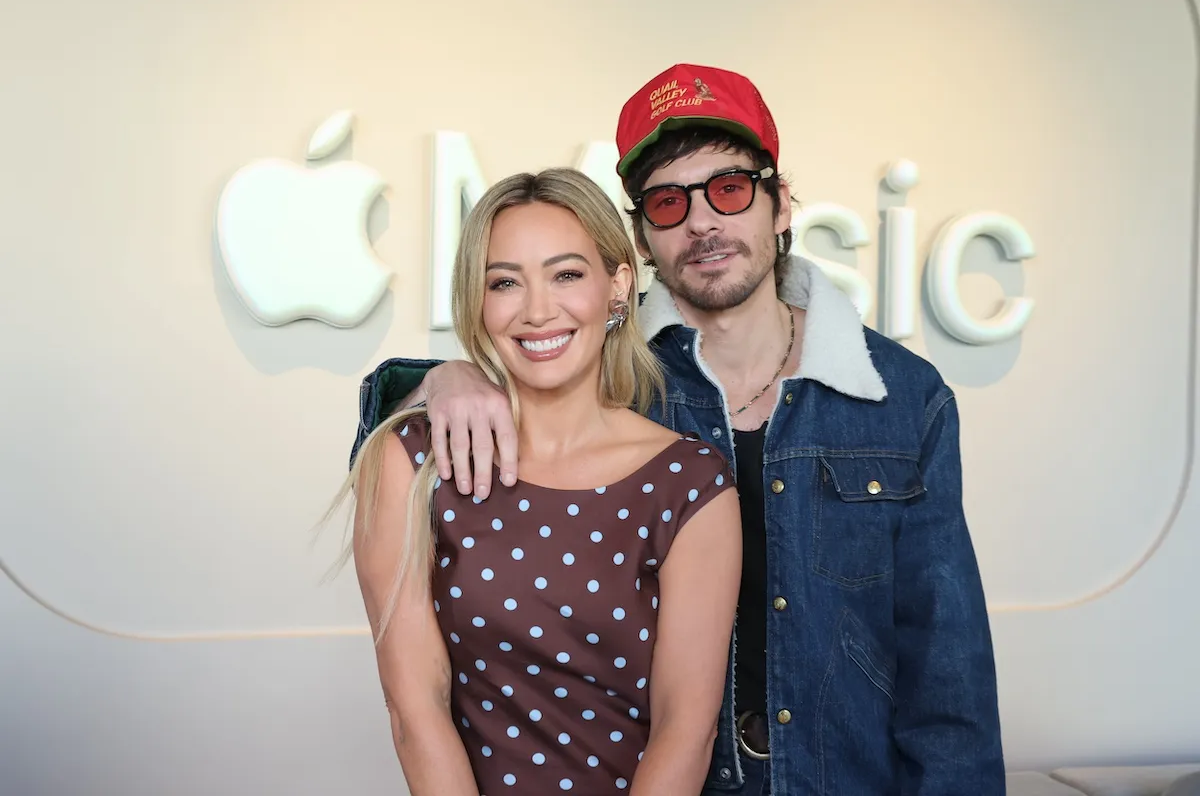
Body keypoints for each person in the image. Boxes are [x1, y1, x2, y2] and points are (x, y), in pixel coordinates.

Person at [349, 64, 1005, 794]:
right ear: (639, 242)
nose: (702, 224)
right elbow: (505, 369)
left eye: (728, 189)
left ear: (780, 203)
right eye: (667, 203)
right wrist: (443, 378)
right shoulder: (611, 375)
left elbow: (946, 668)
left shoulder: (901, 397)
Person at [329, 166, 743, 795]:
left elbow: (687, 728)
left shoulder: (690, 483)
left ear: (618, 286)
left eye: (567, 274)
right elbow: (416, 708)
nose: (538, 310)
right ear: (478, 299)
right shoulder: (411, 461)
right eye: (505, 282)